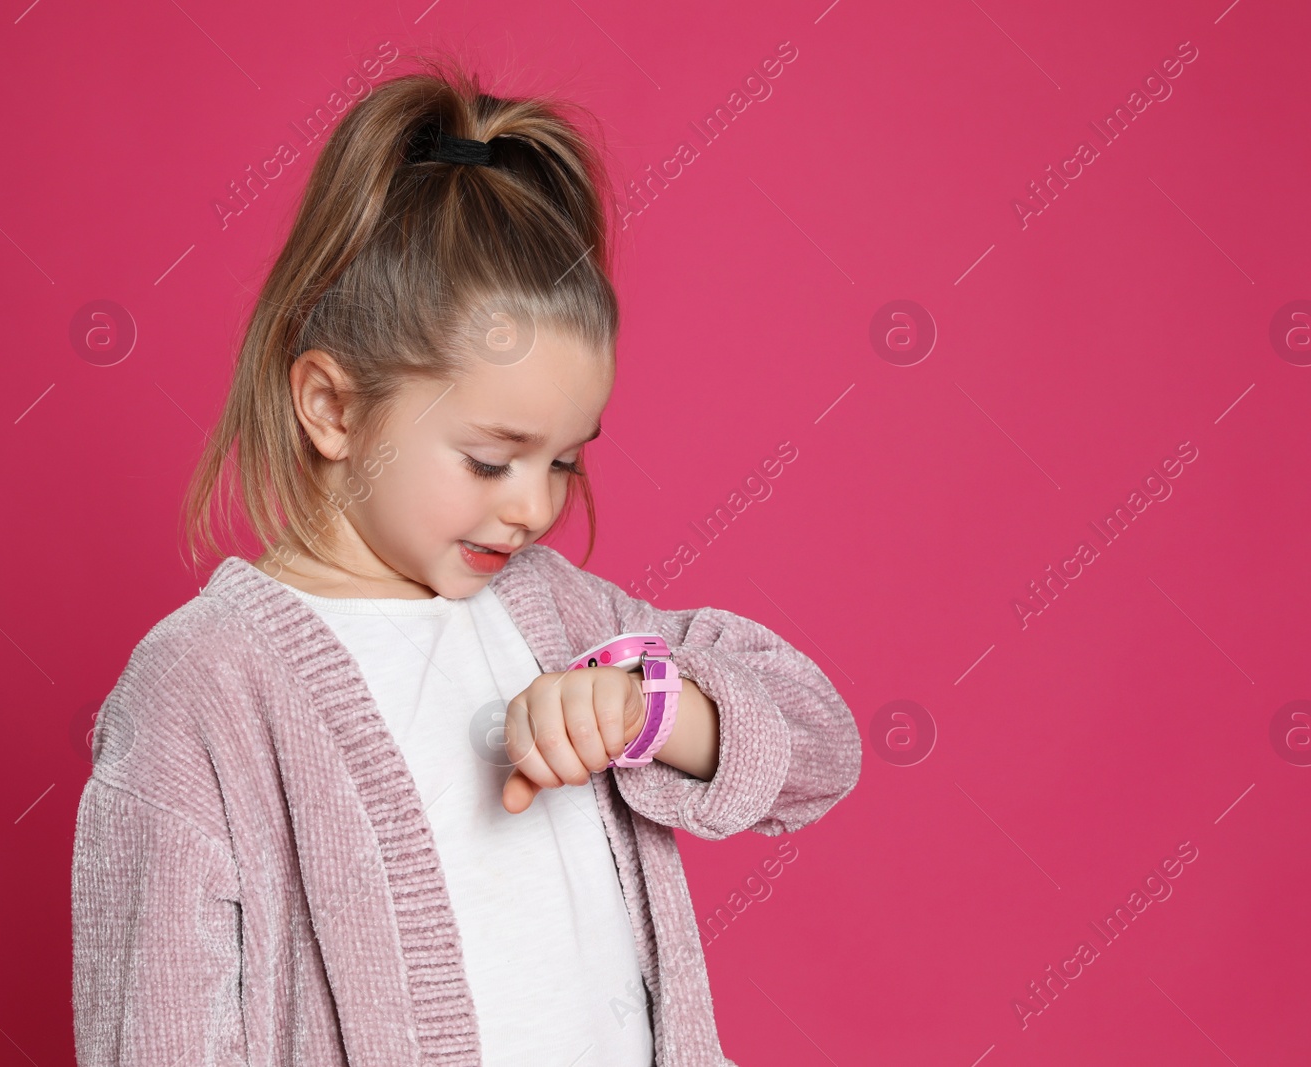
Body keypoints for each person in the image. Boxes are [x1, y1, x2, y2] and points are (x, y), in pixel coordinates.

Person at [69, 54, 861, 1067]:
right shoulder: (204, 688)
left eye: (565, 459)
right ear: (334, 407)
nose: (534, 506)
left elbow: (819, 751)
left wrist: (649, 708)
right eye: (491, 458)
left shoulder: (565, 620)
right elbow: (158, 1037)